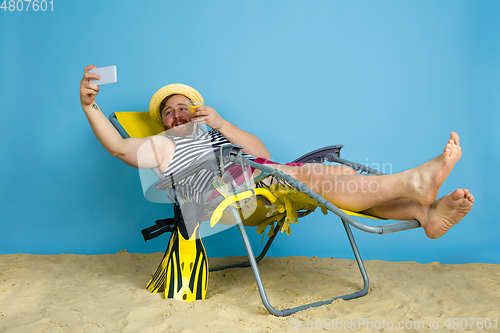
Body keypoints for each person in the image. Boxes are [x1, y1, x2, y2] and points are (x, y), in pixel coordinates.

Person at [80, 65, 474, 240]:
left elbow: (261, 152)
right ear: (163, 123)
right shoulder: (165, 146)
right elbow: (118, 148)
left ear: (197, 112)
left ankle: (425, 213)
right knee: (320, 175)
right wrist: (90, 106)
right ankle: (416, 181)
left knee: (333, 183)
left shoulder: (216, 133)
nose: (176, 112)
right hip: (230, 199)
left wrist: (221, 124)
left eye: (183, 106)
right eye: (169, 111)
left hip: (263, 178)